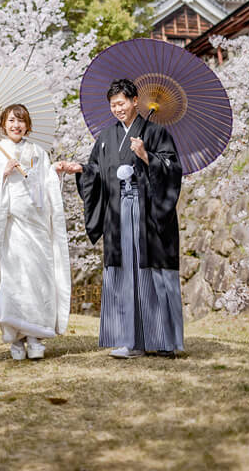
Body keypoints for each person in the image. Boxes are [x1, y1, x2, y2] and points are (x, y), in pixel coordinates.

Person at [57, 79, 184, 358]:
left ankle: (163, 341)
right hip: (118, 212)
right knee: (125, 271)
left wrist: (146, 155)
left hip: (149, 214)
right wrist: (79, 168)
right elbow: (96, 170)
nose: (118, 109)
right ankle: (131, 340)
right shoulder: (105, 138)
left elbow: (173, 168)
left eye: (122, 103)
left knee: (151, 271)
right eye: (113, 105)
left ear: (135, 100)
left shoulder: (156, 132)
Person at [0, 103, 71, 360]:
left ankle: (36, 336)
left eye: (21, 120)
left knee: (38, 278)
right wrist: (1, 173)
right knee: (14, 279)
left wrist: (54, 173)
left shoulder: (37, 151)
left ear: (28, 124)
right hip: (12, 225)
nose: (16, 125)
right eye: (11, 120)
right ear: (3, 124)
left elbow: (44, 182)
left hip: (36, 223)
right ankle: (15, 338)